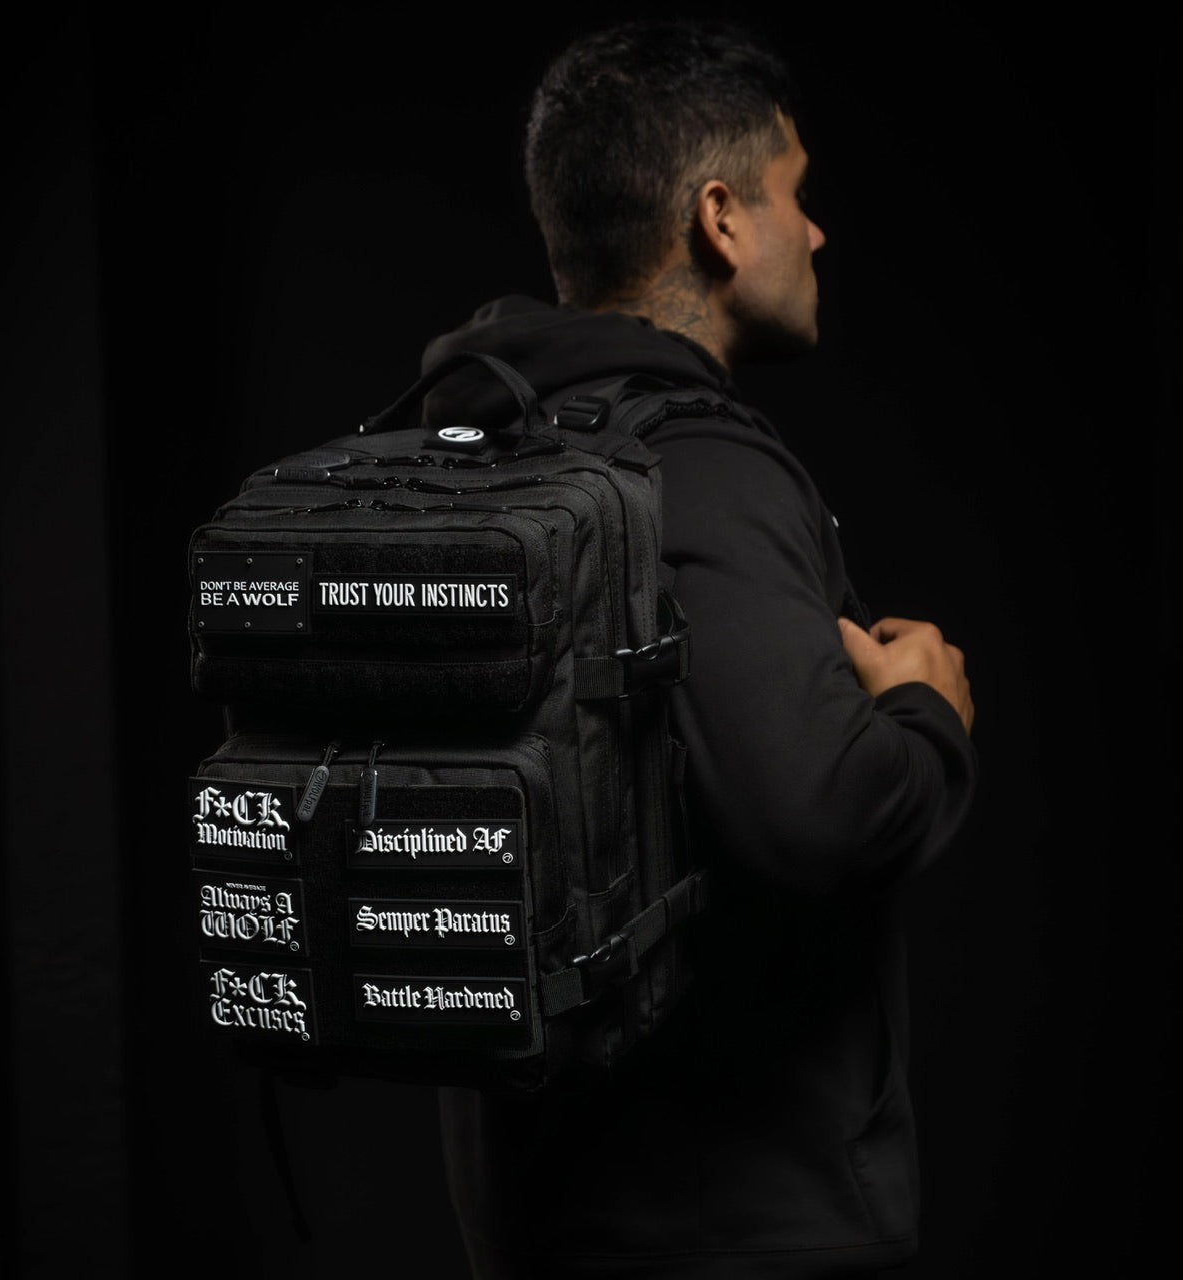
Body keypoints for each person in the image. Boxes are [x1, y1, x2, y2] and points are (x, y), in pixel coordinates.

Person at [421, 16, 977, 1279]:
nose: (817, 233)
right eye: (795, 194)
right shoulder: (698, 467)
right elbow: (816, 817)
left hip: (535, 1210)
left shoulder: (484, 453)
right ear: (719, 217)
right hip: (743, 1224)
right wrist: (926, 712)